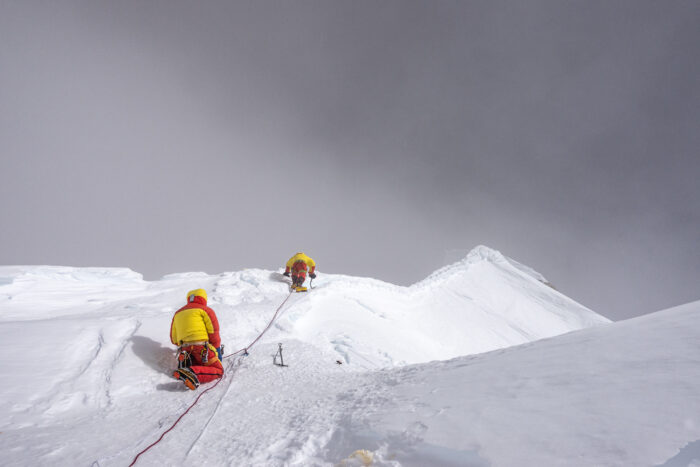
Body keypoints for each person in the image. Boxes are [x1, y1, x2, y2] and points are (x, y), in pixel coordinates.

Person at [170, 289, 224, 390]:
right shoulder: (205, 310)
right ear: (203, 298)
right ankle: (191, 372)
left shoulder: (178, 313)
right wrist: (217, 350)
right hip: (201, 348)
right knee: (218, 370)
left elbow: (174, 339)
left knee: (198, 362)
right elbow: (214, 332)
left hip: (184, 348)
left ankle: (186, 360)